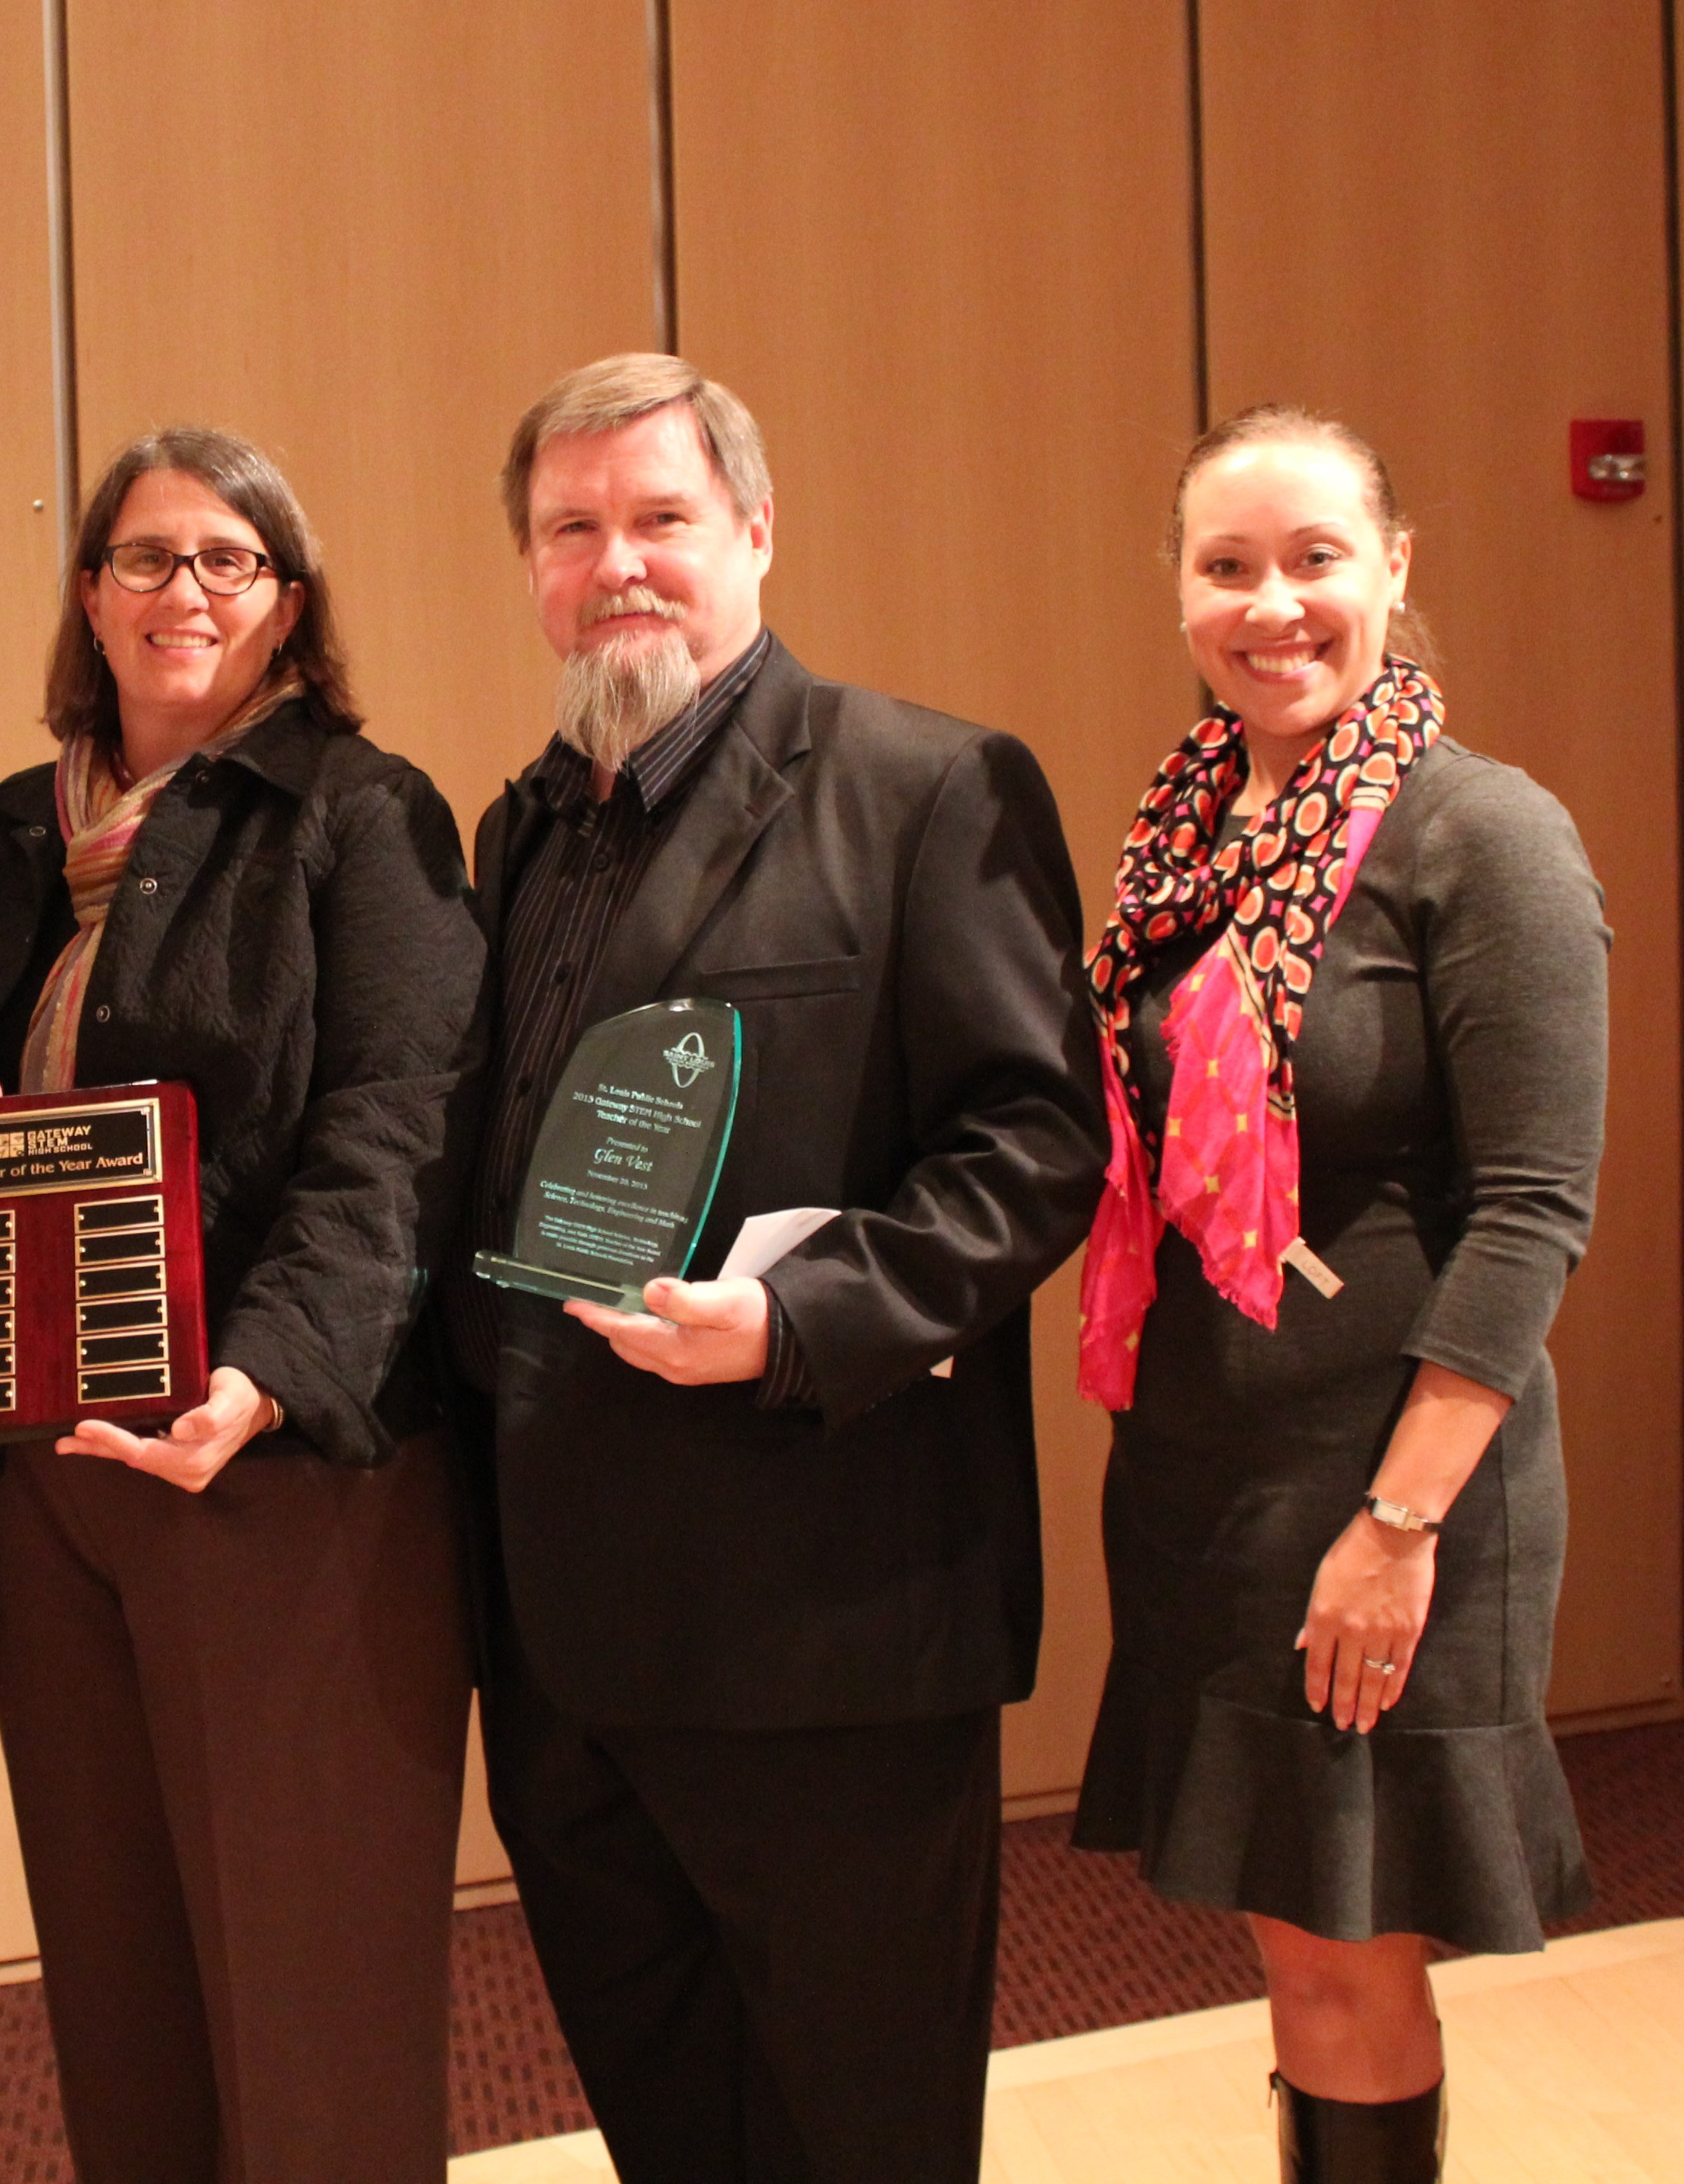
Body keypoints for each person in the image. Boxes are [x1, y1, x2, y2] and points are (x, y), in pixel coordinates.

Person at [445, 353, 1106, 2183]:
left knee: (855, 2133)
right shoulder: (520, 834)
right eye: (572, 529)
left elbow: (1036, 1142)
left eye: (660, 518)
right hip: (568, 1641)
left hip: (825, 1617)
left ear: (753, 530)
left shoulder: (923, 787)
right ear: (528, 566)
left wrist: (797, 1320)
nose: (619, 563)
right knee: (670, 2123)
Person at [0, 425, 482, 2184]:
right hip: (41, 1473)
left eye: (230, 558)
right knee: (119, 1989)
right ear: (90, 591)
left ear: (288, 604)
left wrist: (263, 1377)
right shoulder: (8, 835)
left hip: (277, 1476)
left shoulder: (361, 815)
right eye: (146, 556)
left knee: (312, 2020)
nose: (184, 591)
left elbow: (403, 1122)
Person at [1071, 406, 1607, 2183]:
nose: (1271, 603)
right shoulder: (1187, 843)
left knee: (1349, 1956)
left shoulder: (1483, 834)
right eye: (1227, 566)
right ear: (1179, 591)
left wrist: (1395, 1520)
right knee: (1291, 1948)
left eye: (1313, 558)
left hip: (1393, 1481)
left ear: (1393, 568)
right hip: (1210, 1461)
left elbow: (1532, 1212)